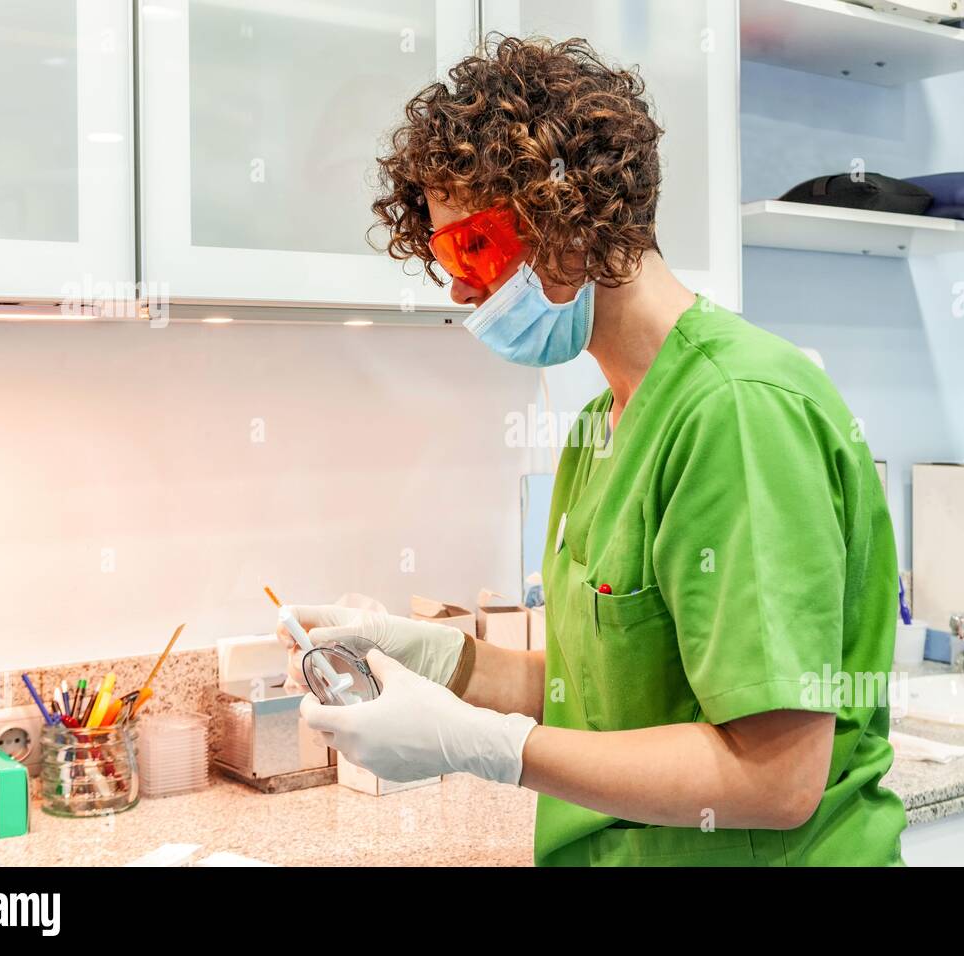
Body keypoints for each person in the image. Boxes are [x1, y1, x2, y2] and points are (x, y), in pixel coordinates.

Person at [288, 36, 907, 866]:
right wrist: (434, 657)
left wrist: (490, 748)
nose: (460, 289)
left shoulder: (736, 412)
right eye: (443, 257)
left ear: (570, 216)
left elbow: (777, 779)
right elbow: (597, 693)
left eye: (473, 247)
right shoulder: (600, 425)